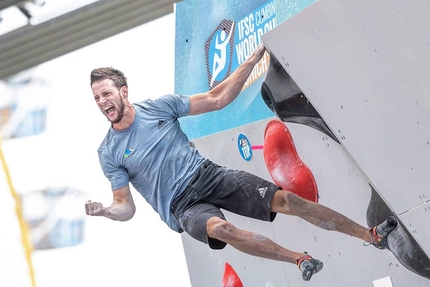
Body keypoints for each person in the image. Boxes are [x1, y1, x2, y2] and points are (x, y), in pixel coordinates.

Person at [85, 45, 397, 281]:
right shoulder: (109, 152)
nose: (102, 103)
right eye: (97, 99)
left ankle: (370, 236)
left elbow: (217, 99)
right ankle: (299, 259)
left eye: (106, 94)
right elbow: (124, 206)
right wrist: (107, 211)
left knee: (286, 199)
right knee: (221, 228)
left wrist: (253, 60)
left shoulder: (159, 108)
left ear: (123, 92)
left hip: (206, 175)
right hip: (182, 207)